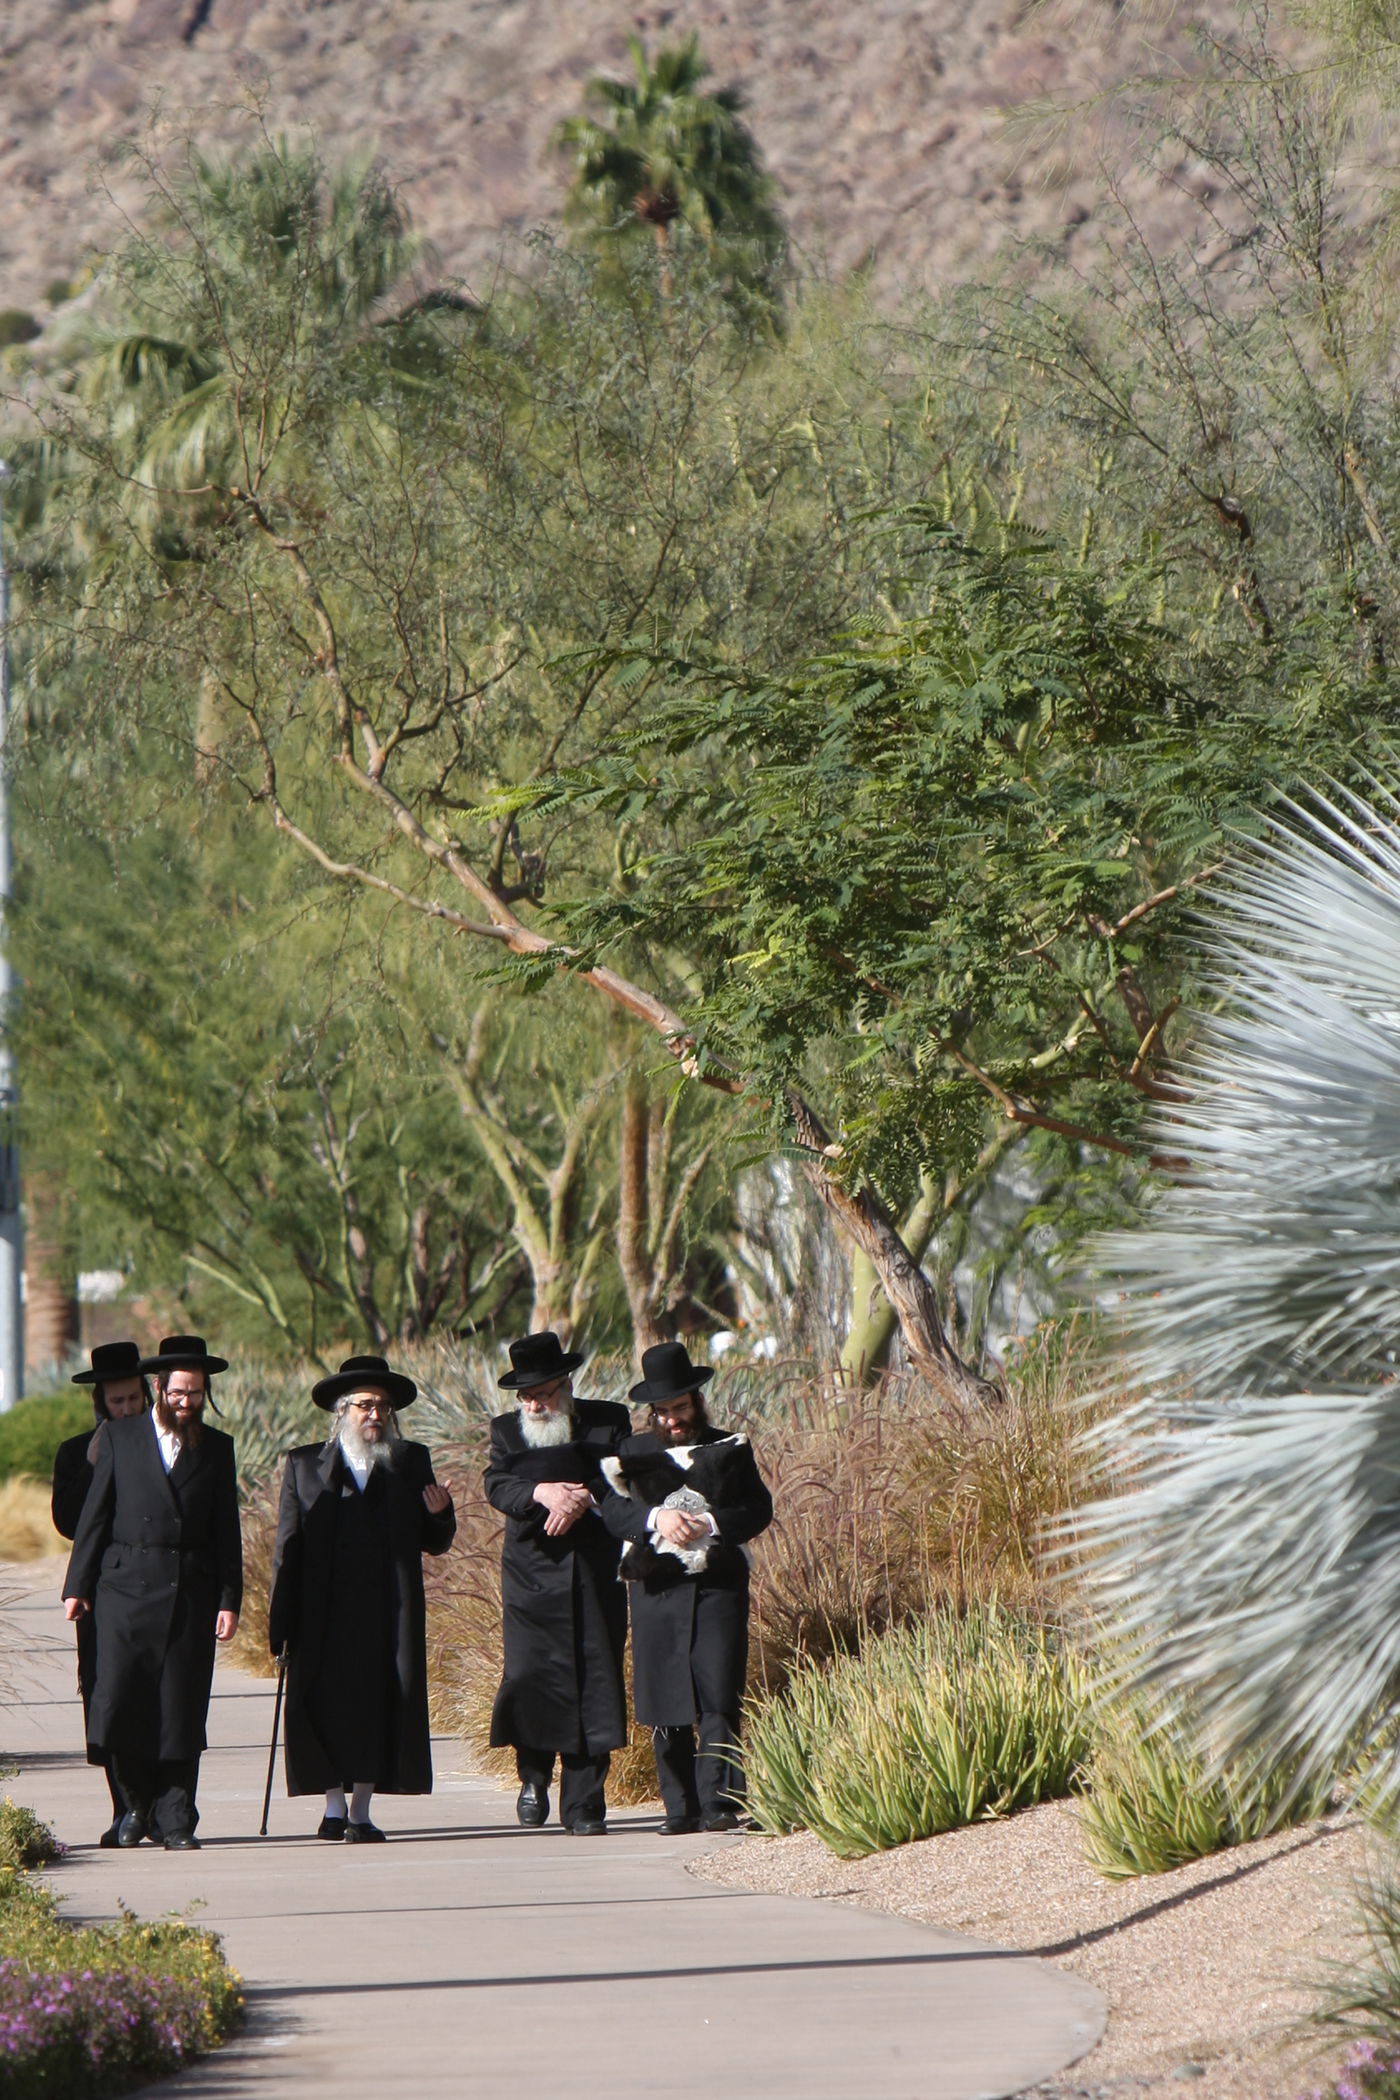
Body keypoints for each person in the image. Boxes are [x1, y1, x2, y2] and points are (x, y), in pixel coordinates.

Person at [62, 1334, 242, 1851]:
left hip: (189, 1591)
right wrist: (77, 1587)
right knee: (118, 1700)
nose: (187, 1402)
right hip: (121, 1590)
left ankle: (178, 1819)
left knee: (180, 1707)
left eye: (197, 1393)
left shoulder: (218, 1448)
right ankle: (135, 1805)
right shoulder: (122, 1440)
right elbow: (94, 1518)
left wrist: (230, 1599)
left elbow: (226, 1532)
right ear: (159, 1388)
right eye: (179, 1392)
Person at [267, 1353, 456, 1843]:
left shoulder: (411, 1461)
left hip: (387, 1610)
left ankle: (361, 1811)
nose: (376, 1415)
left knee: (381, 1705)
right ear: (342, 1411)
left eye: (384, 1407)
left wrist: (440, 1513)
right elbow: (287, 1545)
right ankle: (332, 1808)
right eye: (365, 1405)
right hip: (321, 1612)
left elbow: (434, 1541)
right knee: (323, 1705)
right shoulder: (304, 1464)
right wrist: (280, 1621)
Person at [601, 1341, 772, 1835]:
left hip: (719, 1586)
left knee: (719, 1690)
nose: (674, 1419)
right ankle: (679, 1806)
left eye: (681, 1407)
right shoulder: (631, 1453)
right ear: (651, 1412)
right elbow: (613, 1511)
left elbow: (758, 1509)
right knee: (665, 1696)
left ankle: (720, 1802)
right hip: (655, 1589)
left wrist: (712, 1524)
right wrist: (658, 1517)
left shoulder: (730, 1446)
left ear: (697, 1402)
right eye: (664, 1411)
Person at [484, 1331, 630, 1836]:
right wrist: (542, 1491)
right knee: (530, 1678)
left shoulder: (609, 1420)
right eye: (525, 1396)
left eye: (543, 1393)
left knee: (596, 1680)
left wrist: (582, 1496)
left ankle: (585, 1804)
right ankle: (533, 1777)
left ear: (566, 1383)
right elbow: (497, 1484)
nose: (534, 1404)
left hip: (593, 1573)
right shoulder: (506, 1431)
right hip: (531, 1577)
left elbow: (624, 1476)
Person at [51, 1339, 151, 1847]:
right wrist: (94, 1466)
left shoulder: (165, 1446)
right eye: (117, 1402)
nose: (127, 1410)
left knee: (154, 1697)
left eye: (134, 1400)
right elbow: (67, 1523)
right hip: (99, 1590)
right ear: (101, 1405)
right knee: (104, 1696)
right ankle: (123, 1805)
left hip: (155, 1588)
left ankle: (155, 1805)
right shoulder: (76, 1452)